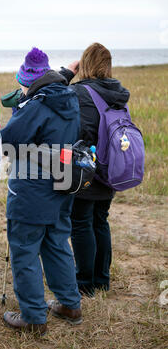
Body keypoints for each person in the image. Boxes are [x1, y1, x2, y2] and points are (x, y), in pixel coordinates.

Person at [1, 47, 82, 335]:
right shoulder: (68, 98)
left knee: (24, 249)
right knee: (57, 242)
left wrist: (18, 107)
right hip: (63, 181)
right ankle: (70, 304)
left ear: (29, 80)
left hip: (32, 189)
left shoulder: (35, 105)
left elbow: (7, 140)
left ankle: (34, 317)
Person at [60, 43, 130, 297]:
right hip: (113, 166)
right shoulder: (119, 93)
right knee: (100, 221)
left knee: (81, 223)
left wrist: (66, 74)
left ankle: (85, 283)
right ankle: (102, 279)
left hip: (86, 167)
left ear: (84, 64)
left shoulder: (79, 93)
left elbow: (77, 129)